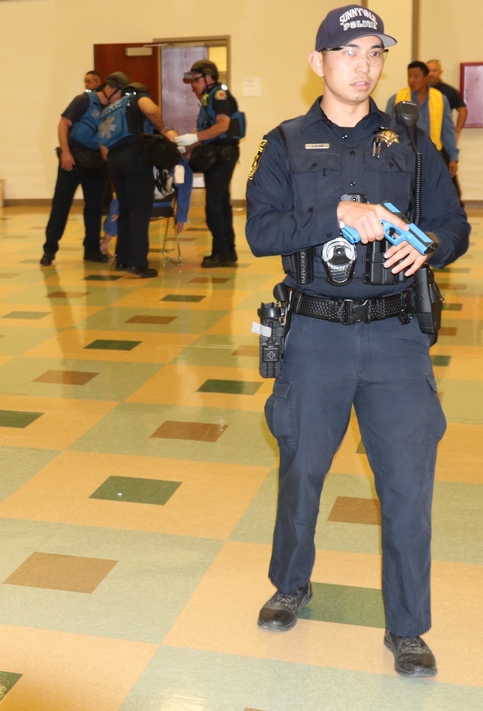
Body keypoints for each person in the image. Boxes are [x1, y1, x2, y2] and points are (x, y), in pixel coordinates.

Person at [245, 5, 469, 679]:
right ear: (319, 63)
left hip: (396, 335)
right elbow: (262, 231)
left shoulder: (408, 140)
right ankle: (290, 583)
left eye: (374, 52)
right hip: (313, 333)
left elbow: (453, 226)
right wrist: (335, 214)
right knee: (302, 471)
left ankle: (407, 626)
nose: (363, 65)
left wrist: (428, 249)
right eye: (348, 52)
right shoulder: (284, 142)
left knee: (407, 483)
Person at [175, 59, 243, 268]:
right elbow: (208, 128)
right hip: (216, 154)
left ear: (208, 77)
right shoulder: (209, 97)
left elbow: (223, 126)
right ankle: (226, 252)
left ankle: (221, 253)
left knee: (213, 205)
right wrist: (188, 145)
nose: (193, 85)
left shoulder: (219, 96)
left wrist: (194, 139)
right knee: (220, 203)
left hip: (222, 155)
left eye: (196, 80)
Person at [98, 72, 166, 278]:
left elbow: (102, 145)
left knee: (125, 210)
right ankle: (138, 264)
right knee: (139, 211)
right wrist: (162, 128)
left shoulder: (110, 108)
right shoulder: (137, 98)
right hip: (134, 156)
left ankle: (122, 260)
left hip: (114, 160)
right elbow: (152, 111)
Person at [40, 77, 111, 266]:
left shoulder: (114, 108)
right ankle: (49, 250)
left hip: (96, 163)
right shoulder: (84, 101)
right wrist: (65, 152)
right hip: (72, 160)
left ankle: (92, 250)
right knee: (60, 206)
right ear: (110, 88)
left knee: (95, 208)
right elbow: (63, 124)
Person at [387, 61, 461, 199]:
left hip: (433, 154)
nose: (411, 80)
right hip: (406, 156)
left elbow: (447, 130)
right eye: (409, 76)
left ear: (426, 78)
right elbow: (387, 131)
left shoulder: (440, 98)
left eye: (416, 76)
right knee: (410, 196)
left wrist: (453, 158)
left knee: (445, 195)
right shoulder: (397, 99)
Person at [426, 59, 468, 142]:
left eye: (434, 71)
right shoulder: (417, 91)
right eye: (428, 71)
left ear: (440, 72)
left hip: (443, 136)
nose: (431, 74)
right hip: (422, 135)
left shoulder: (449, 91)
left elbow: (463, 110)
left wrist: (457, 131)